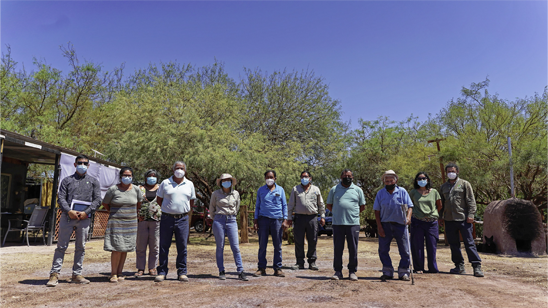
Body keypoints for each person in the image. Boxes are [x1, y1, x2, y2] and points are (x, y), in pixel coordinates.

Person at [46, 154, 101, 287]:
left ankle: (77, 274)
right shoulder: (66, 181)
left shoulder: (94, 182)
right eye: (80, 163)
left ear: (88, 165)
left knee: (81, 247)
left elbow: (98, 200)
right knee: (61, 247)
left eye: (85, 163)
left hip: (84, 218)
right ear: (75, 165)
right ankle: (54, 274)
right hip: (67, 217)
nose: (82, 165)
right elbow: (61, 198)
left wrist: (86, 212)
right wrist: (68, 211)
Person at [440, 162, 484, 277]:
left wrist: (471, 215)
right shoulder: (443, 187)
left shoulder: (464, 184)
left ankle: (476, 266)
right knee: (454, 244)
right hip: (449, 220)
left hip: (464, 219)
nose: (451, 173)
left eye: (453, 171)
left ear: (457, 172)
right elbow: (441, 204)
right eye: (449, 171)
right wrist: (440, 217)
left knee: (469, 243)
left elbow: (471, 201)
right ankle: (459, 266)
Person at [155, 161, 196, 282]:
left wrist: (183, 210)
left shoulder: (189, 184)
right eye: (177, 168)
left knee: (182, 246)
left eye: (182, 168)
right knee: (163, 246)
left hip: (183, 219)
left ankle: (182, 272)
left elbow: (191, 201)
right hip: (167, 218)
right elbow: (159, 199)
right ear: (173, 170)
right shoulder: (165, 183)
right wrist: (168, 209)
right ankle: (162, 272)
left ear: (185, 170)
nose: (179, 170)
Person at [102, 167, 143, 283]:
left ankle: (120, 272)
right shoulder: (113, 189)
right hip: (116, 223)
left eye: (129, 175)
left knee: (124, 248)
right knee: (116, 248)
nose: (127, 177)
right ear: (120, 177)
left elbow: (139, 204)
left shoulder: (136, 189)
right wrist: (114, 213)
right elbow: (105, 203)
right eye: (125, 175)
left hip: (131, 223)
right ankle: (113, 273)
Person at [374, 170, 414, 281]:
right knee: (383, 250)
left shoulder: (402, 192)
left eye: (391, 180)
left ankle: (403, 272)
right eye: (386, 180)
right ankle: (387, 271)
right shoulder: (380, 193)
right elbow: (376, 211)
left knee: (405, 250)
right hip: (385, 225)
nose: (389, 182)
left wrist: (408, 217)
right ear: (384, 181)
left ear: (395, 180)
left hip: (401, 225)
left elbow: (410, 206)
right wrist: (379, 227)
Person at [326, 169, 365, 281]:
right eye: (345, 176)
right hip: (338, 224)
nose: (347, 178)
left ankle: (352, 271)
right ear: (341, 177)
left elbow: (362, 206)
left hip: (353, 224)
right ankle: (338, 271)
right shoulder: (334, 189)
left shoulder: (358, 190)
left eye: (349, 176)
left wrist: (352, 214)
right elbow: (329, 205)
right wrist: (338, 213)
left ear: (352, 177)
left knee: (353, 248)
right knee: (338, 248)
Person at [209, 173, 248, 281]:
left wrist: (231, 216)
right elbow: (211, 209)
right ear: (220, 182)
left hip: (231, 220)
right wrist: (217, 218)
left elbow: (237, 207)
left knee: (235, 247)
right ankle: (221, 270)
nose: (226, 182)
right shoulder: (215, 194)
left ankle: (240, 271)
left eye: (228, 180)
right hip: (219, 220)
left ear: (231, 182)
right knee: (220, 247)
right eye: (224, 180)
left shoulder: (236, 194)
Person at [287, 171, 325, 271]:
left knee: (312, 240)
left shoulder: (316, 189)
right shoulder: (295, 189)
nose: (304, 178)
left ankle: (312, 262)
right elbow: (291, 205)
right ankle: (299, 262)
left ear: (310, 178)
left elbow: (321, 204)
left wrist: (323, 216)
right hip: (299, 218)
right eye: (302, 177)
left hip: (312, 218)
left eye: (306, 176)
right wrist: (289, 218)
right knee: (298, 240)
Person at [253, 170, 288, 277]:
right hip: (263, 220)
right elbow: (257, 205)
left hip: (277, 220)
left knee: (277, 245)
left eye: (271, 177)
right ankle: (261, 268)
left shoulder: (280, 190)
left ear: (275, 178)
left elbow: (284, 205)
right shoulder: (261, 190)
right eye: (267, 177)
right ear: (265, 178)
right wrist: (255, 220)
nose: (269, 179)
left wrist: (285, 219)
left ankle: (278, 268)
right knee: (262, 245)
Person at [409, 172, 442, 274]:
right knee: (417, 246)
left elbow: (439, 205)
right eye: (419, 178)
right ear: (416, 181)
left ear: (427, 180)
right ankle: (419, 268)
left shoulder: (434, 192)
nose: (422, 180)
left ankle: (433, 268)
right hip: (417, 222)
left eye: (424, 178)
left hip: (431, 223)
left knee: (432, 246)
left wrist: (433, 214)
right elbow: (409, 206)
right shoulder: (413, 192)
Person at [135, 169, 161, 278]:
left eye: (154, 176)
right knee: (141, 245)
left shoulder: (161, 188)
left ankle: (152, 267)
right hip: (142, 219)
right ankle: (140, 268)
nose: (152, 177)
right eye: (149, 176)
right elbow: (136, 202)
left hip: (156, 220)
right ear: (145, 177)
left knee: (154, 245)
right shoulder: (140, 188)